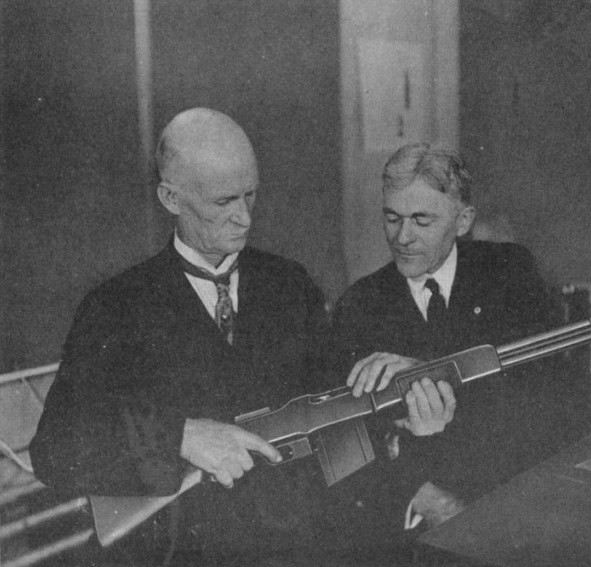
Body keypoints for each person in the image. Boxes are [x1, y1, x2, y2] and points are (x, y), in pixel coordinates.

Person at [29, 109, 455, 565]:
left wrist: (401, 416)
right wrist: (180, 437)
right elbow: (54, 448)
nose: (244, 217)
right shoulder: (115, 306)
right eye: (223, 202)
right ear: (171, 198)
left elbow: (333, 411)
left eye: (250, 195)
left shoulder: (289, 284)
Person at [331, 143, 561, 531]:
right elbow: (345, 446)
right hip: (414, 513)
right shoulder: (359, 304)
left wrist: (431, 376)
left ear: (462, 220)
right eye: (392, 218)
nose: (402, 237)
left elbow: (544, 399)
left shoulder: (509, 272)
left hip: (510, 492)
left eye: (421, 220)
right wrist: (425, 499)